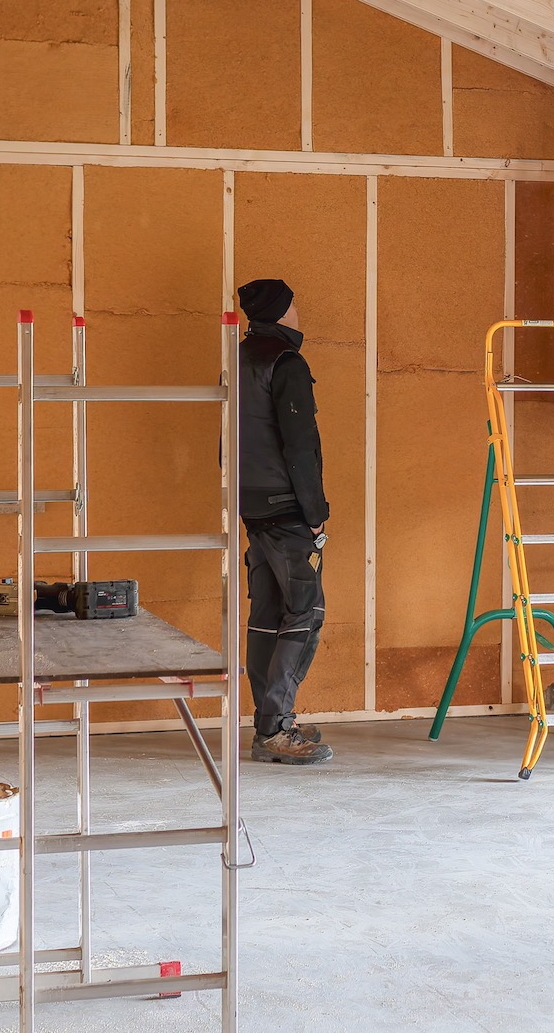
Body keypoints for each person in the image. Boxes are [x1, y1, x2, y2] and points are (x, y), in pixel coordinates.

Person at [235, 277, 333, 765]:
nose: (300, 312)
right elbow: (299, 447)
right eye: (295, 305)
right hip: (287, 509)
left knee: (265, 618)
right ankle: (276, 729)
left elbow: (226, 440)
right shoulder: (286, 363)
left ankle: (268, 723)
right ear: (281, 312)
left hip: (252, 506)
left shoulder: (238, 359)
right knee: (304, 613)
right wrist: (315, 513)